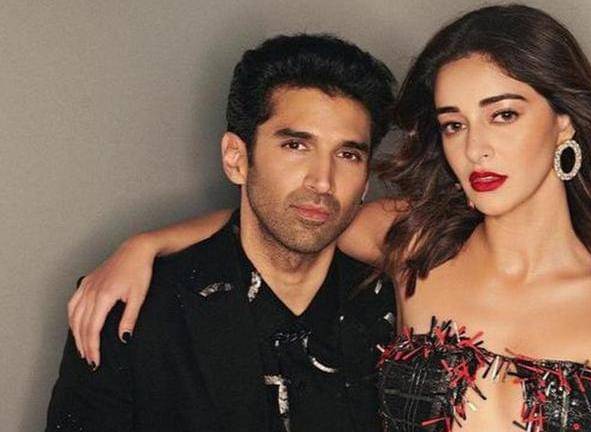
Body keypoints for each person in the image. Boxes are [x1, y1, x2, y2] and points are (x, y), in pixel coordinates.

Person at [68, 5, 591, 432]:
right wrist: (146, 245)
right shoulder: (415, 245)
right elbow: (298, 217)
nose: (476, 148)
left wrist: (146, 241)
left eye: (503, 114)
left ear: (563, 122)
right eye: (454, 124)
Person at [47, 34, 397, 432]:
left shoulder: (394, 311)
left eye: (348, 154)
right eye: (296, 146)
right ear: (236, 158)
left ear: (366, 180)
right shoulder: (132, 311)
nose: (322, 181)